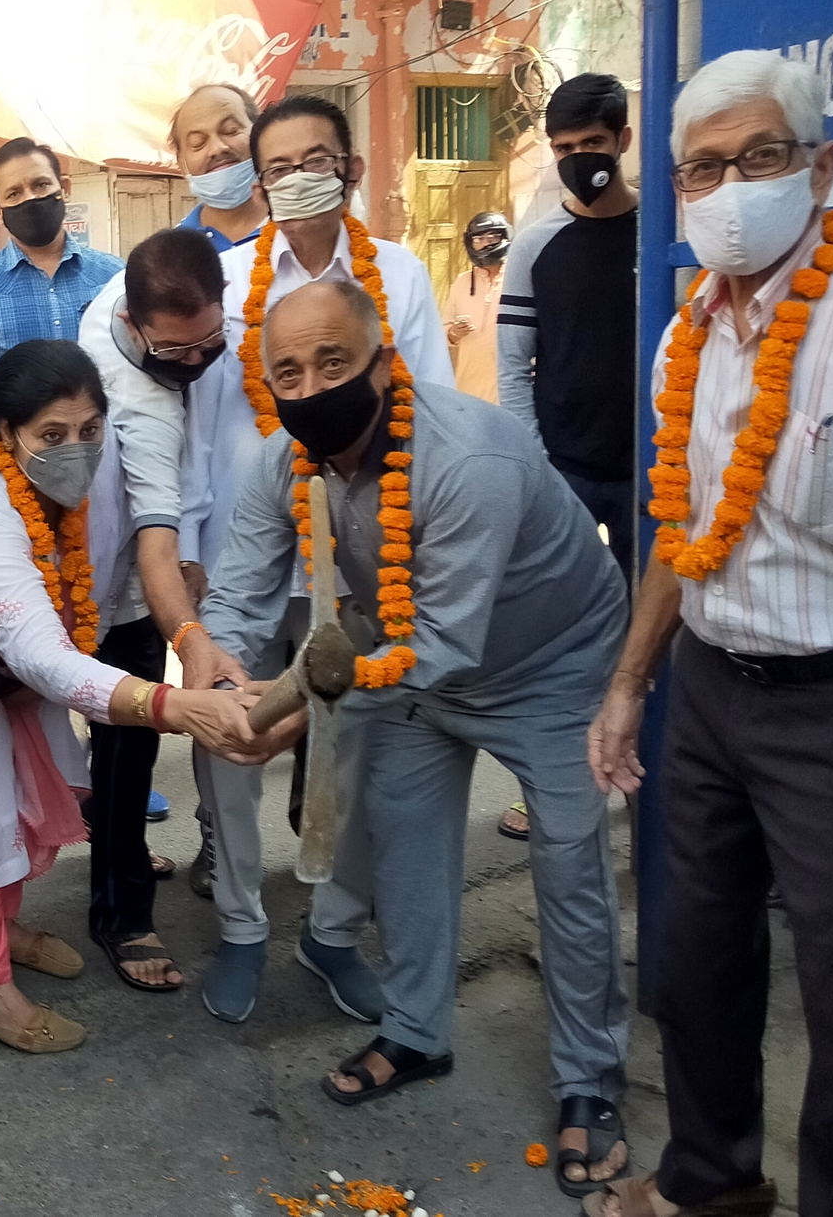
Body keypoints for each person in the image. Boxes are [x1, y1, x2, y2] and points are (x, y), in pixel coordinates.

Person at [584, 50, 833, 1217]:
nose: (729, 185)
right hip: (710, 688)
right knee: (698, 962)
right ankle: (711, 1179)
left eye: (757, 157)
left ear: (819, 166)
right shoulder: (684, 339)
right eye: (702, 167)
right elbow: (676, 525)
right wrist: (629, 684)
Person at [207, 279, 630, 1194]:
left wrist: (288, 720)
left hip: (550, 663)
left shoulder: (465, 458)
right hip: (409, 663)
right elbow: (238, 596)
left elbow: (440, 644)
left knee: (566, 866)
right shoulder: (285, 461)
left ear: (383, 361)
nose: (311, 385)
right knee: (404, 842)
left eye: (332, 362)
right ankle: (415, 1032)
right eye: (288, 370)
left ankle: (589, 1081)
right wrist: (222, 691)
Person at [0, 339, 264, 1047]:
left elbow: (89, 595)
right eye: (51, 435)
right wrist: (172, 706)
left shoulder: (89, 467)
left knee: (32, 759)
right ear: (4, 433)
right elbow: (38, 655)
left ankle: (1, 924)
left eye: (88, 430)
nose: (76, 448)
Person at [178, 93, 452, 1024]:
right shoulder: (222, 279)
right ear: (258, 183)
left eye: (317, 159)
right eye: (280, 165)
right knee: (232, 728)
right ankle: (243, 925)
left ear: (350, 168)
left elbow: (428, 412)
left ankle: (332, 933)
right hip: (248, 551)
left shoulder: (400, 276)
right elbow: (166, 390)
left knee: (359, 744)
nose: (298, 177)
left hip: (367, 556)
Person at [74, 226, 230, 973]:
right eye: (177, 352)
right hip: (119, 586)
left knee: (117, 762)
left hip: (146, 559)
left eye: (211, 342)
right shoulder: (138, 402)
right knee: (123, 748)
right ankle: (121, 914)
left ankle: (121, 847)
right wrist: (192, 645)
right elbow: (155, 550)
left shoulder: (130, 290)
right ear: (132, 327)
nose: (196, 362)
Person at [497, 74, 640, 584]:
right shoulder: (534, 246)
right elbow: (513, 368)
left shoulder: (663, 234)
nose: (579, 158)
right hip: (565, 469)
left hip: (647, 471)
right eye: (565, 147)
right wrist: (539, 466)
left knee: (644, 613)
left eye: (593, 143)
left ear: (622, 140)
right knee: (566, 609)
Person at [0, 137, 123, 419]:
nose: (31, 199)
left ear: (65, 188)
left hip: (107, 448)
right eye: (14, 193)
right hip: (14, 457)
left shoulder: (113, 275)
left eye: (40, 185)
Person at [171, 83, 267, 251]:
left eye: (230, 131)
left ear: (261, 135)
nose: (217, 149)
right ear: (181, 163)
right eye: (198, 143)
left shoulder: (303, 229)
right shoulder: (173, 252)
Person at [445, 211, 509, 404]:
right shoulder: (462, 282)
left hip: (510, 388)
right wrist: (454, 332)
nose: (486, 243)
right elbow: (443, 330)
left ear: (504, 238)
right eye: (479, 238)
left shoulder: (519, 278)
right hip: (469, 388)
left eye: (492, 237)